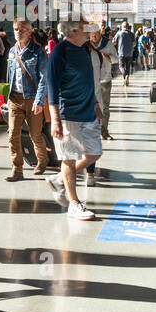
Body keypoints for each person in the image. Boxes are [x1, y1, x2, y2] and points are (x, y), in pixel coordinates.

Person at [44, 20, 103, 221]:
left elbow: (88, 80)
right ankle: (74, 204)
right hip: (67, 113)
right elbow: (52, 86)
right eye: (83, 26)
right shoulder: (60, 52)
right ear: (73, 31)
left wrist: (95, 103)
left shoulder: (84, 50)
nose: (88, 30)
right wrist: (55, 119)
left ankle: (59, 179)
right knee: (68, 158)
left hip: (87, 112)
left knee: (94, 153)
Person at [5, 19, 51, 181]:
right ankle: (17, 168)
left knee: (35, 134)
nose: (19, 32)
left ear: (30, 32)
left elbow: (44, 78)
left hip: (32, 98)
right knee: (12, 134)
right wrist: (8, 97)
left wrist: (40, 100)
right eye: (16, 29)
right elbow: (10, 75)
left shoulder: (38, 51)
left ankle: (42, 159)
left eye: (23, 29)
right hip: (15, 98)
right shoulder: (11, 51)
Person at [87, 23, 117, 141]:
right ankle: (93, 130)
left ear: (100, 34)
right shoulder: (86, 45)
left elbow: (115, 59)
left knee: (104, 107)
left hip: (105, 79)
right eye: (91, 35)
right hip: (90, 80)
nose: (94, 37)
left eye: (96, 35)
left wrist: (103, 55)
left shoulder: (107, 44)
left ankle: (104, 131)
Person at [115, 22, 136, 86]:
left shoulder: (119, 33)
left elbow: (114, 41)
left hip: (121, 53)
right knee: (127, 67)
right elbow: (134, 44)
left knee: (121, 66)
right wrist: (131, 47)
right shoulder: (131, 34)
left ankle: (125, 75)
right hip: (129, 53)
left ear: (122, 26)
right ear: (128, 26)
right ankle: (126, 80)